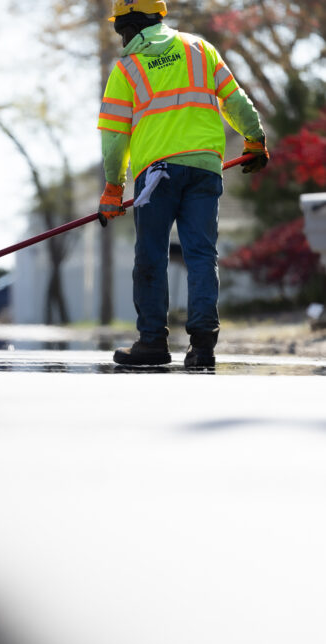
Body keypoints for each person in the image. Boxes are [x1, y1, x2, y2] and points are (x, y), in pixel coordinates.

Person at [97, 0, 269, 369]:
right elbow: (234, 100)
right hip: (205, 168)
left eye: (120, 28)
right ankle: (203, 346)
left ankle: (153, 342)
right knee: (202, 255)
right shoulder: (199, 49)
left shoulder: (126, 69)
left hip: (156, 176)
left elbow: (114, 139)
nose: (121, 36)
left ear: (129, 25)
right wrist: (254, 139)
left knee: (151, 257)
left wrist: (114, 188)